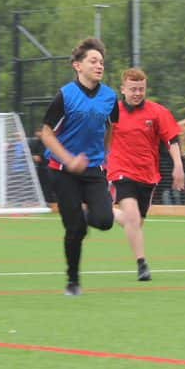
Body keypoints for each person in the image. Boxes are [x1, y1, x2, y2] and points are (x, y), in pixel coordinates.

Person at [39, 38, 117, 296]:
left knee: (105, 221)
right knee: (74, 230)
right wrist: (69, 160)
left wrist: (105, 155)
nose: (99, 66)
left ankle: (84, 216)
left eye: (101, 62)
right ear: (77, 66)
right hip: (62, 170)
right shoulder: (65, 96)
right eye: (93, 61)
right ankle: (73, 281)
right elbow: (47, 134)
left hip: (93, 169)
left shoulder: (110, 97)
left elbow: (111, 127)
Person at [106, 67, 183, 282]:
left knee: (135, 223)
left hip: (148, 175)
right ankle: (142, 265)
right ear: (123, 89)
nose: (137, 93)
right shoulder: (112, 112)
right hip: (121, 171)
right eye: (133, 89)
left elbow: (172, 139)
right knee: (132, 217)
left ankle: (105, 210)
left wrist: (179, 165)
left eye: (141, 89)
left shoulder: (158, 112)